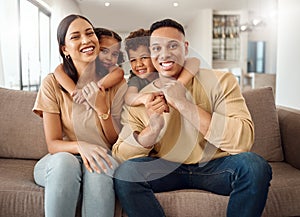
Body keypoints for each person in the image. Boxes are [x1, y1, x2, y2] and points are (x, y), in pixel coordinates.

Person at [112, 18, 272, 217]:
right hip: (166, 168)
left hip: (216, 166)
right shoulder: (142, 96)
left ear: (185, 48)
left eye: (172, 45)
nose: (165, 54)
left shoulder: (221, 81)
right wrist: (152, 130)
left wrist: (184, 104)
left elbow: (243, 141)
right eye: (156, 48)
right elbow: (121, 155)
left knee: (254, 166)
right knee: (126, 174)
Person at [32, 14, 127, 217]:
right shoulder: (53, 83)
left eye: (89, 33)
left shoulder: (116, 83)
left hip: (101, 155)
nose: (85, 40)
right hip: (60, 161)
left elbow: (113, 141)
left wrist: (103, 110)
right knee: (66, 162)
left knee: (100, 166)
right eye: (75, 37)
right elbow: (53, 144)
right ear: (64, 49)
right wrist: (79, 146)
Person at [124, 28, 200, 106]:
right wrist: (145, 98)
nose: (139, 64)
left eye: (144, 57)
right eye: (133, 60)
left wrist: (179, 84)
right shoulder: (136, 80)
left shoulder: (166, 70)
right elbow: (129, 97)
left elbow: (194, 61)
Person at [54, 27, 125, 106]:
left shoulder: (110, 68)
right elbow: (58, 71)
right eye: (104, 51)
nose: (109, 58)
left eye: (115, 54)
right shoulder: (71, 68)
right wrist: (76, 93)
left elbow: (119, 72)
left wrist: (91, 90)